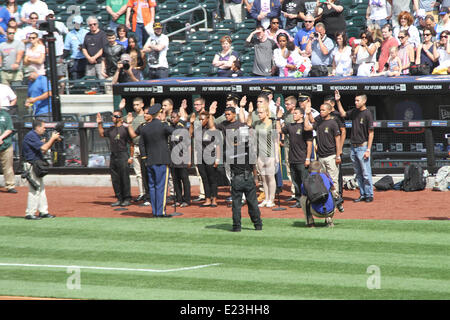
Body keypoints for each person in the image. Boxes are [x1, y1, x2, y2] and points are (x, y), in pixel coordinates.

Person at [127, 103, 175, 217]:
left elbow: (141, 144)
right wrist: (167, 122)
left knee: (152, 187)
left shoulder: (145, 127)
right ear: (159, 113)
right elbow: (175, 132)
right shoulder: (162, 125)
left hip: (150, 161)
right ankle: (161, 212)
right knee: (161, 187)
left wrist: (145, 159)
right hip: (162, 160)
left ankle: (155, 211)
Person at [224, 110, 263, 232]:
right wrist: (256, 178)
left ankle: (236, 227)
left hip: (236, 178)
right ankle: (258, 225)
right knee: (253, 203)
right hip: (248, 177)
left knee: (236, 204)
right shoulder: (248, 149)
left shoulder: (229, 152)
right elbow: (253, 164)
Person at [336, 94, 375, 203]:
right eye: (355, 100)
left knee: (366, 173)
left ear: (364, 101)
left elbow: (371, 133)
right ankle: (362, 194)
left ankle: (369, 194)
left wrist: (368, 149)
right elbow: (343, 114)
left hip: (363, 147)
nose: (355, 102)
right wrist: (338, 101)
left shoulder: (367, 114)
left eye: (358, 100)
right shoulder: (354, 111)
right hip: (354, 147)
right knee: (358, 173)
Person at [242, 94, 278, 208]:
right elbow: (247, 123)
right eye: (258, 113)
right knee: (263, 178)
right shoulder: (257, 123)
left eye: (261, 112)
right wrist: (250, 112)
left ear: (267, 113)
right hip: (259, 154)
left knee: (270, 177)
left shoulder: (272, 124)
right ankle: (266, 198)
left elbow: (276, 140)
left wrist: (276, 156)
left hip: (270, 153)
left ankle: (271, 199)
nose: (259, 114)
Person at [21, 119, 60, 220]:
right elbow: (43, 148)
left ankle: (43, 211)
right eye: (43, 127)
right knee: (34, 189)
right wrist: (52, 138)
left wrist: (53, 140)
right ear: (37, 127)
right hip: (31, 165)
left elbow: (44, 148)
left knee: (41, 189)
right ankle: (30, 213)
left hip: (36, 164)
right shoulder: (31, 135)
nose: (45, 129)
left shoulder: (35, 136)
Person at [276, 106, 313, 209]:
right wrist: (278, 119)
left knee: (304, 182)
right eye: (294, 113)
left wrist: (307, 158)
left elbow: (309, 144)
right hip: (292, 158)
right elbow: (279, 131)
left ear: (302, 115)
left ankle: (307, 201)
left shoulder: (305, 127)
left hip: (302, 159)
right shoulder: (290, 126)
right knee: (295, 182)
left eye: (296, 113)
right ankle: (298, 200)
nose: (294, 115)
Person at [97, 111, 132, 207]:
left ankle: (127, 198)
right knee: (115, 178)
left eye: (115, 116)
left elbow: (131, 144)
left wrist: (131, 157)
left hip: (123, 154)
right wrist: (99, 123)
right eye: (112, 116)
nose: (113, 117)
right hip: (113, 155)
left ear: (120, 118)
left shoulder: (125, 129)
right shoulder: (111, 129)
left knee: (124, 177)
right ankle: (119, 198)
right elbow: (102, 134)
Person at [311, 102, 342, 210]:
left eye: (323, 110)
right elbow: (310, 123)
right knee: (323, 180)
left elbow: (338, 139)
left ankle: (336, 201)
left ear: (329, 111)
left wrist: (338, 155)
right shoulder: (318, 123)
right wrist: (307, 110)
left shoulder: (333, 123)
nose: (321, 112)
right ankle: (328, 201)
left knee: (333, 180)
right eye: (320, 110)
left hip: (331, 155)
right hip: (321, 156)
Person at [189, 109, 220, 208]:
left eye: (202, 119)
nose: (201, 121)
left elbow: (218, 145)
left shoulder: (212, 130)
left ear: (207, 119)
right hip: (200, 157)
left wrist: (218, 159)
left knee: (212, 178)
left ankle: (214, 199)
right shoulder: (198, 129)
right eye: (199, 119)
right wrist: (192, 123)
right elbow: (190, 135)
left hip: (210, 156)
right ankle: (207, 199)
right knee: (204, 178)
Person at [122, 97, 147, 203]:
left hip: (144, 146)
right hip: (134, 146)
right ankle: (142, 193)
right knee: (138, 173)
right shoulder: (131, 116)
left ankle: (148, 194)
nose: (136, 106)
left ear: (142, 105)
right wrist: (122, 109)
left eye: (137, 104)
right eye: (134, 105)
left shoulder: (145, 116)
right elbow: (120, 119)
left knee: (146, 172)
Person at [300, 160, 336, 227]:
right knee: (332, 192)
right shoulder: (326, 176)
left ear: (309, 170)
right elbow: (333, 187)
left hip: (316, 211)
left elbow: (304, 193)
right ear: (320, 170)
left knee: (303, 198)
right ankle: (329, 219)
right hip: (331, 210)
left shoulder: (306, 180)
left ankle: (310, 223)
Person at [169, 109, 191, 207]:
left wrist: (189, 158)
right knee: (175, 180)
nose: (172, 119)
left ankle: (186, 200)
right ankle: (178, 199)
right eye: (171, 117)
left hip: (182, 158)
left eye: (174, 117)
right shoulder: (171, 128)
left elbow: (188, 145)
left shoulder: (183, 129)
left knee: (184, 179)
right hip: (173, 159)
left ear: (178, 117)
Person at [63, 15, 89, 80]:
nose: (77, 25)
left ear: (81, 23)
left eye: (78, 23)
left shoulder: (87, 33)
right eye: (75, 23)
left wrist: (83, 48)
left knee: (86, 77)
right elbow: (66, 48)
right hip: (74, 59)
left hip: (85, 58)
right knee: (75, 77)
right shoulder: (69, 34)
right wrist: (62, 57)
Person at [0, 103, 17, 193]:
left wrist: (1, 138)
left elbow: (9, 129)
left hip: (5, 144)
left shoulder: (5, 115)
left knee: (8, 167)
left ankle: (10, 185)